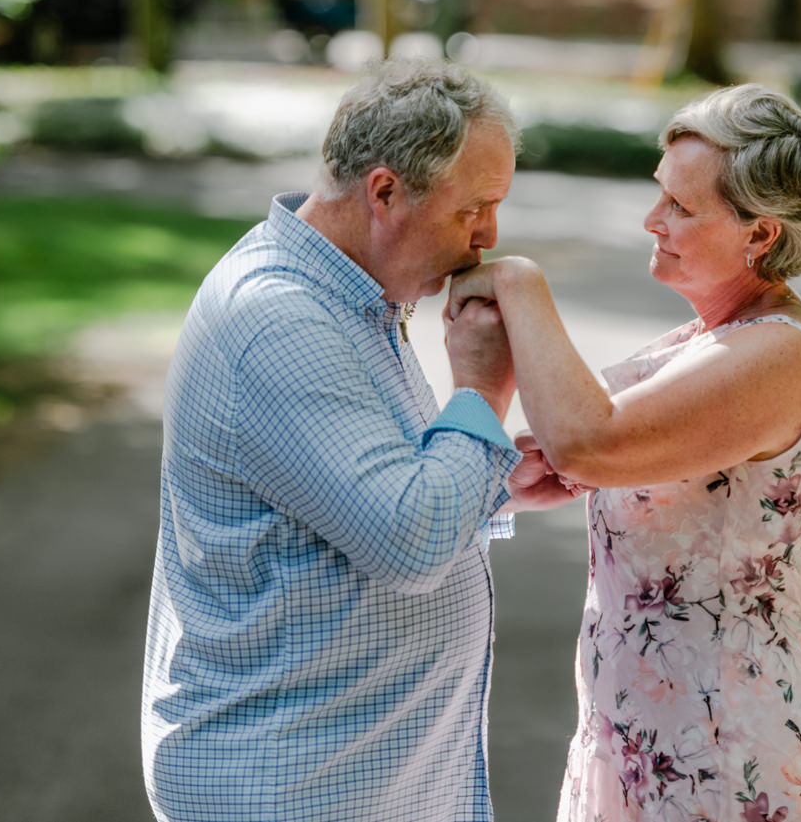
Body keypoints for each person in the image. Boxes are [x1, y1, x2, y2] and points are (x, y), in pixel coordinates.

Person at [141, 58, 573, 822]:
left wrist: (491, 481)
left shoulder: (348, 300)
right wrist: (481, 391)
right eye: (475, 207)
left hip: (342, 777)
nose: (490, 235)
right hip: (290, 787)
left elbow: (348, 496)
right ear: (384, 192)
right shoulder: (279, 321)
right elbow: (409, 538)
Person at [448, 84, 801, 822]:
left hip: (723, 751)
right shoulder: (710, 340)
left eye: (681, 207)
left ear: (758, 235)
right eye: (659, 194)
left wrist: (517, 280)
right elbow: (599, 447)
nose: (651, 220)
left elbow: (591, 436)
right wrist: (548, 471)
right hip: (648, 733)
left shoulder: (778, 354)